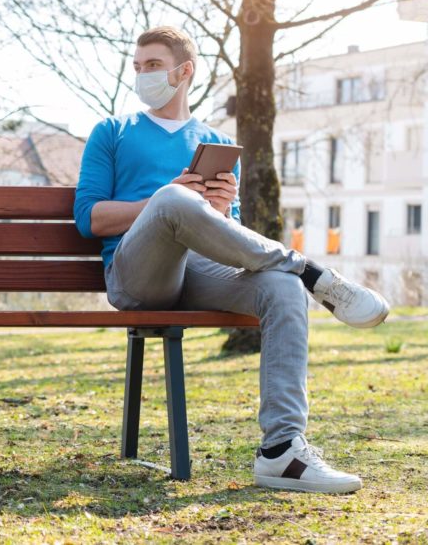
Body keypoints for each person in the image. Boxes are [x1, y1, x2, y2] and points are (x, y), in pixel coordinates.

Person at [74, 26, 389, 494]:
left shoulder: (217, 142)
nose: (142, 76)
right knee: (171, 200)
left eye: (153, 66)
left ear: (185, 72)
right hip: (137, 276)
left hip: (202, 271)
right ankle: (310, 271)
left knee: (280, 287)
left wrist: (220, 209)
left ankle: (282, 452)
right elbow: (90, 218)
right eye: (138, 68)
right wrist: (168, 202)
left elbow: (233, 238)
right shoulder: (113, 132)